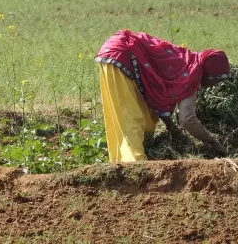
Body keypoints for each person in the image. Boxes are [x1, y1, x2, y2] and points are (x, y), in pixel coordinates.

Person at [95, 29, 230, 163]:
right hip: (122, 57)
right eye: (215, 81)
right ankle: (135, 164)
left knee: (143, 114)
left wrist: (171, 126)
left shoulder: (186, 59)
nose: (213, 86)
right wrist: (212, 141)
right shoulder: (192, 75)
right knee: (130, 118)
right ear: (209, 74)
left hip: (116, 53)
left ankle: (122, 159)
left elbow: (157, 96)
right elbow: (187, 120)